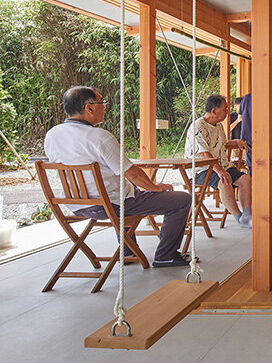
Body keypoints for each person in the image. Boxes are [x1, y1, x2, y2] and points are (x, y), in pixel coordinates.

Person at [44, 86, 192, 267]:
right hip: (110, 205)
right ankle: (166, 256)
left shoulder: (52, 135)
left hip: (76, 205)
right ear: (89, 108)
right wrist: (155, 187)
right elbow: (130, 172)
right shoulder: (99, 137)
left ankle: (129, 252)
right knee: (181, 199)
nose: (104, 106)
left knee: (126, 190)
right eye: (101, 102)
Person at [186, 95, 252, 228]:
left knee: (246, 179)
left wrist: (236, 142)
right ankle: (239, 217)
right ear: (214, 111)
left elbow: (224, 144)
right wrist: (220, 171)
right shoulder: (198, 126)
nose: (227, 112)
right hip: (201, 170)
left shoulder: (218, 126)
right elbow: (204, 153)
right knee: (224, 181)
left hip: (221, 166)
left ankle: (247, 214)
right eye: (225, 109)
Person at [238, 93, 251, 174]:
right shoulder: (264, 97)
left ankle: (252, 184)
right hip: (261, 134)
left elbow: (240, 117)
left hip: (246, 133)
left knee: (250, 163)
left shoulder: (246, 98)